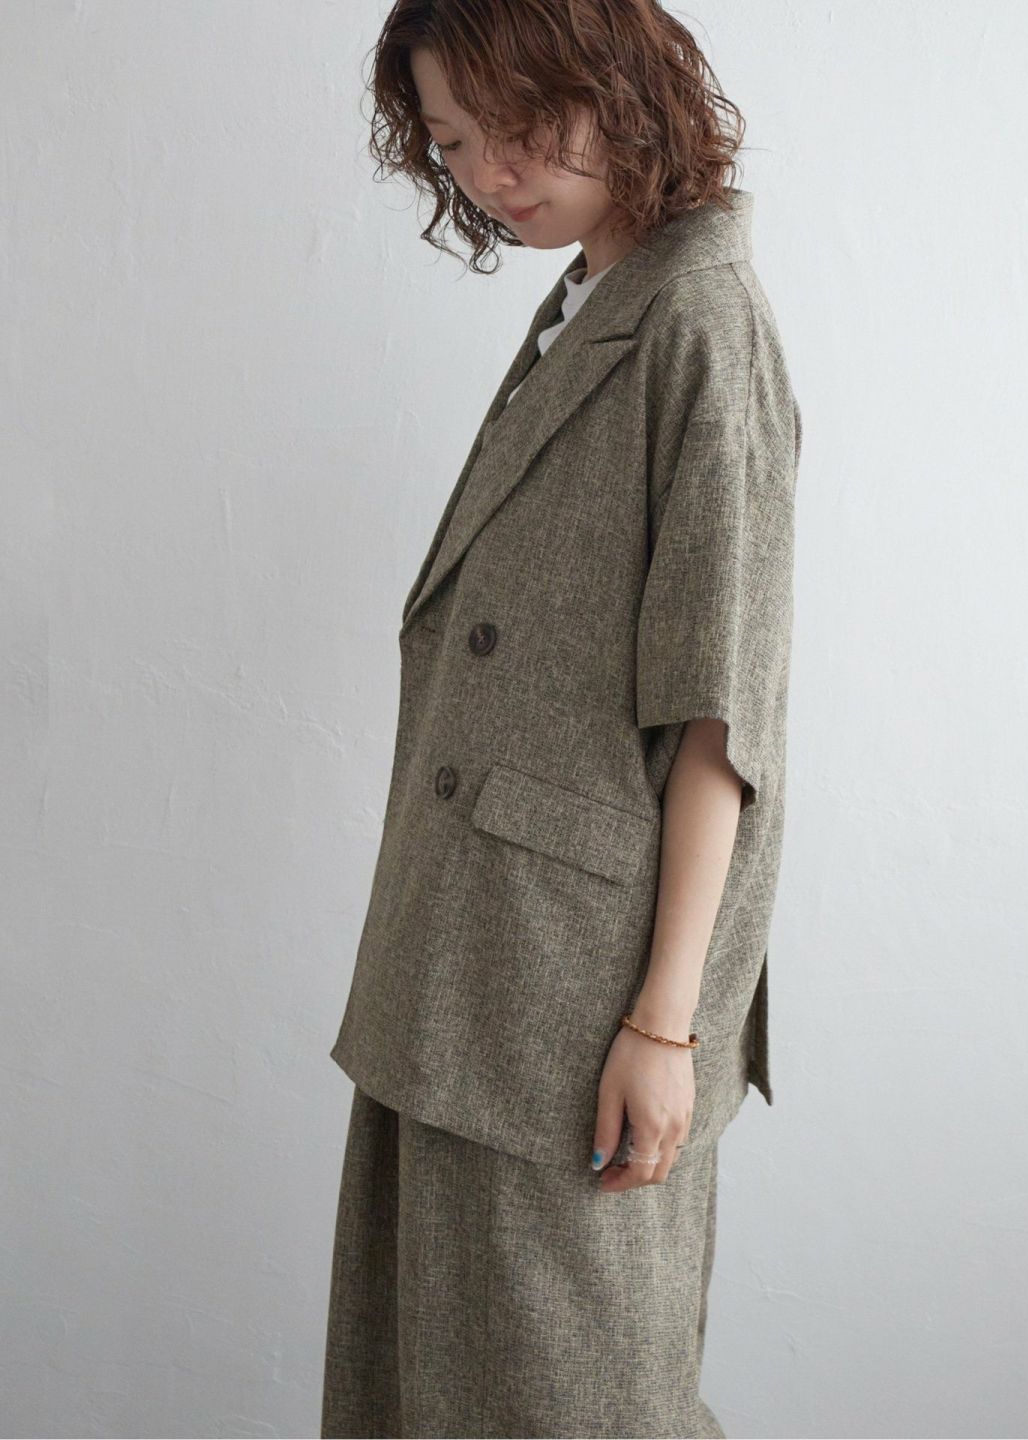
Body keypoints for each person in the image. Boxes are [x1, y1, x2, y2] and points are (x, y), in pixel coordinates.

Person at [321, 2, 802, 1435]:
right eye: (454, 142)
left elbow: (719, 721)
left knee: (574, 1399)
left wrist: (668, 1027)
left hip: (572, 1010)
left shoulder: (700, 323)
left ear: (619, 88)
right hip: (467, 977)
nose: (492, 174)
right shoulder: (596, 299)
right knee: (429, 1388)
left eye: (521, 126)